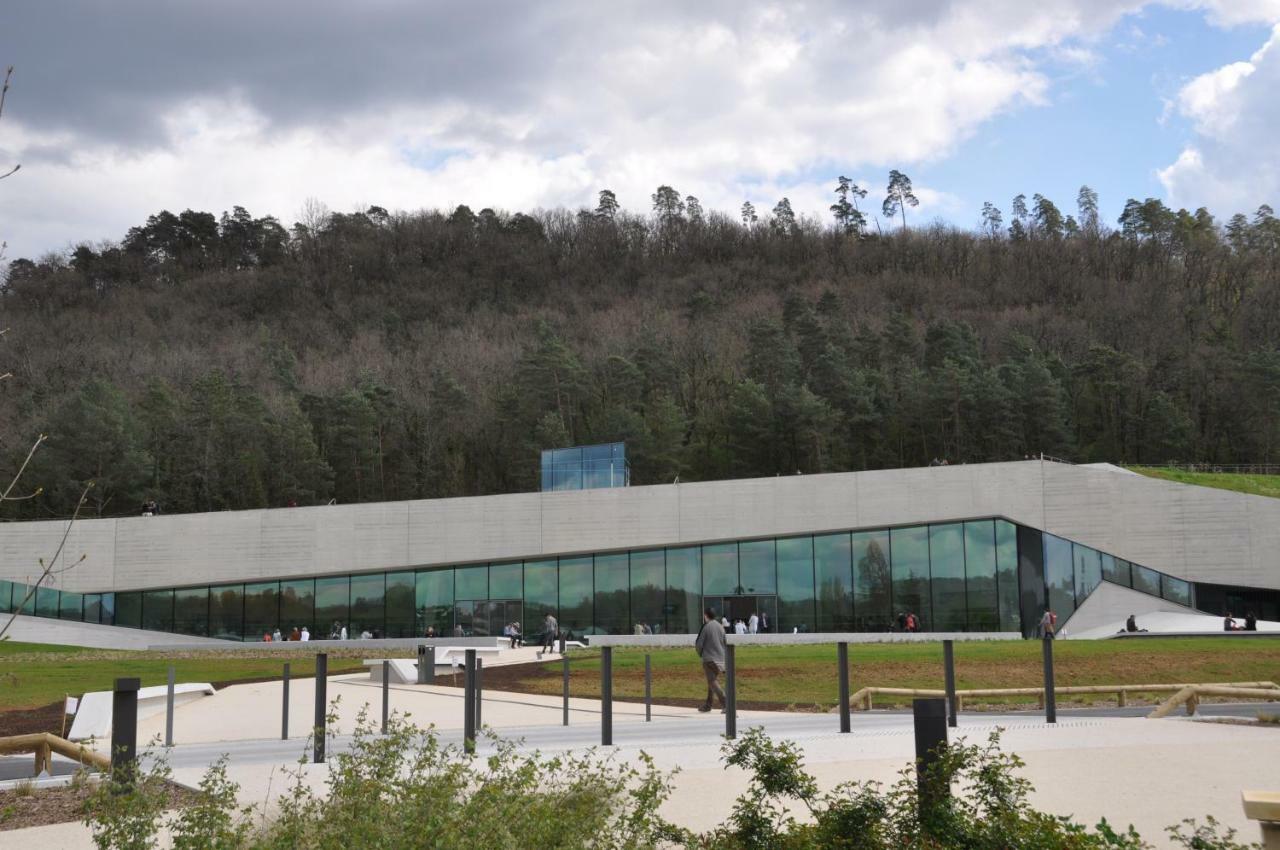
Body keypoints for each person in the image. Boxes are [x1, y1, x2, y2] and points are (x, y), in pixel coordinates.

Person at [695, 607, 727, 713]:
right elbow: (725, 642)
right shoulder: (720, 627)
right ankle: (708, 705)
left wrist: (701, 654)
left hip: (709, 659)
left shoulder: (706, 627)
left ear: (705, 615)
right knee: (711, 681)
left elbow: (699, 644)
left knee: (712, 681)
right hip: (721, 659)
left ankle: (726, 704)